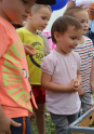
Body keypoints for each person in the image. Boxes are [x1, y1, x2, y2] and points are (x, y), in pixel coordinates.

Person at [0, 0, 55, 134]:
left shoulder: (8, 27)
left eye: (31, 5)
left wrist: (18, 47)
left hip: (16, 109)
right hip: (9, 113)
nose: (29, 10)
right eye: (25, 2)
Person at [41, 16, 83, 134]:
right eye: (73, 38)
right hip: (58, 106)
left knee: (74, 129)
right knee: (63, 131)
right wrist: (67, 88)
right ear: (57, 36)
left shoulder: (76, 57)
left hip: (73, 104)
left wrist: (78, 82)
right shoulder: (50, 60)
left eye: (78, 39)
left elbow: (78, 75)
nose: (76, 42)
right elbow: (45, 83)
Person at [16, 4, 51, 134]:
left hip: (40, 81)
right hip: (26, 82)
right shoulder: (19, 33)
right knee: (28, 113)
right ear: (30, 14)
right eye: (43, 18)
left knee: (41, 111)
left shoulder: (40, 38)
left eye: (48, 19)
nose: (46, 23)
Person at [63, 7, 94, 114]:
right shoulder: (70, 45)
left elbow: (91, 62)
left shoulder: (89, 42)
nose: (86, 24)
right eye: (81, 22)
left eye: (87, 21)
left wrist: (91, 81)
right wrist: (77, 88)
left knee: (89, 111)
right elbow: (66, 68)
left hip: (87, 87)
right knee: (73, 112)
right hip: (72, 88)